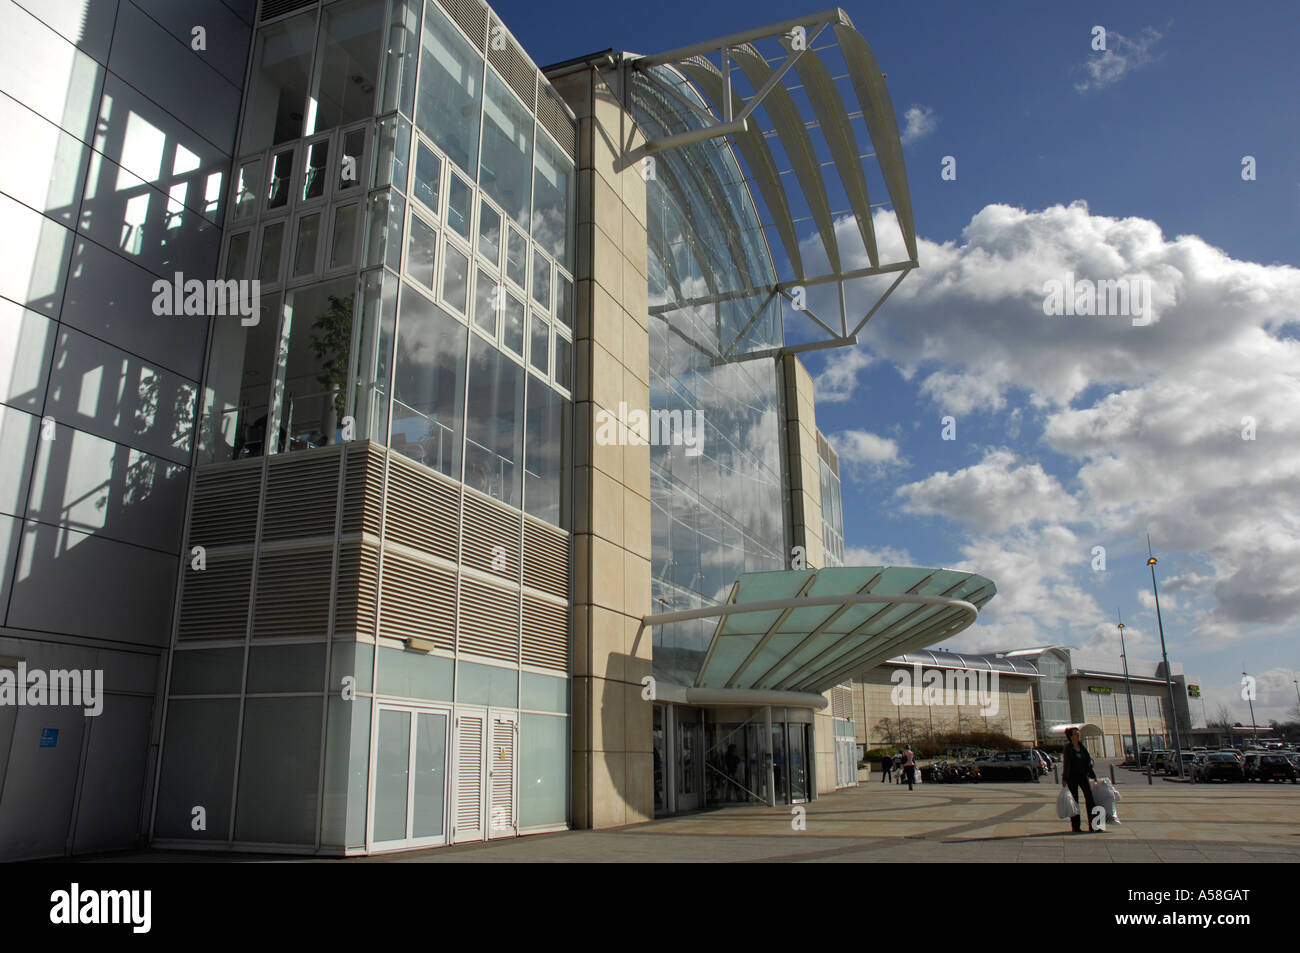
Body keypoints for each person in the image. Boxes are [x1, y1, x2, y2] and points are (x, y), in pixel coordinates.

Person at [1061, 726, 1100, 833]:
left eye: (1079, 734)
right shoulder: (1068, 748)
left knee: (1090, 799)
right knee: (1075, 802)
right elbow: (1066, 764)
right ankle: (1076, 827)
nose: (1078, 735)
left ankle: (1094, 826)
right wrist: (1065, 778)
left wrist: (1093, 775)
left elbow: (1088, 763)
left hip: (1083, 776)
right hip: (1072, 777)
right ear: (1071, 736)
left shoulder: (1082, 747)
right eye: (1075, 734)